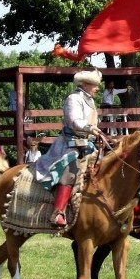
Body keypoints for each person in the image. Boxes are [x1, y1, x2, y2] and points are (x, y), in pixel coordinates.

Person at [36, 68, 103, 227]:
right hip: (69, 145)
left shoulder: (91, 101)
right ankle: (57, 212)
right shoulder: (73, 98)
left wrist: (94, 132)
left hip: (87, 144)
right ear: (85, 84)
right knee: (71, 172)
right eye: (95, 85)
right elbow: (73, 120)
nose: (97, 88)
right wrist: (88, 128)